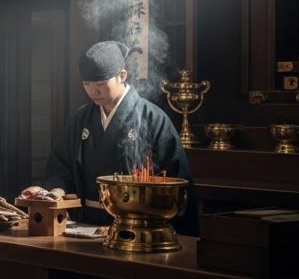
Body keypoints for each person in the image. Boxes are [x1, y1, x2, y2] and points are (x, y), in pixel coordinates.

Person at [44, 41, 192, 227]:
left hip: (137, 224)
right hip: (84, 222)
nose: (93, 91)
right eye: (86, 84)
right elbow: (60, 164)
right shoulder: (81, 118)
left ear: (122, 76)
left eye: (100, 83)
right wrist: (59, 190)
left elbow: (175, 178)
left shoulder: (152, 118)